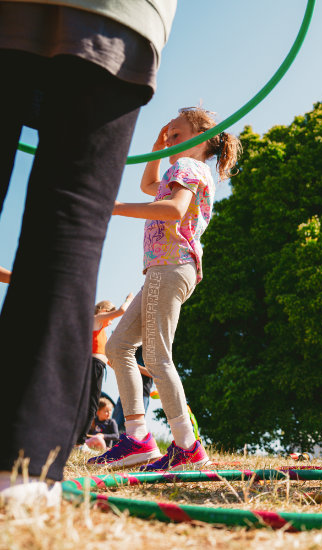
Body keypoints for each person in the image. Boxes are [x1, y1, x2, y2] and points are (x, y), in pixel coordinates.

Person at [0, 1, 176, 503]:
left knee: (71, 224)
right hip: (116, 17)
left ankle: (35, 460)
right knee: (70, 219)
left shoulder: (191, 175)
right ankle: (24, 470)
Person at [88, 108, 240, 471]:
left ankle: (187, 445)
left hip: (170, 266)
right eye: (167, 135)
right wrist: (157, 149)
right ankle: (138, 438)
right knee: (119, 345)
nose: (170, 141)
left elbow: (172, 209)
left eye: (177, 135)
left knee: (156, 357)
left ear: (202, 140)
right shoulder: (186, 169)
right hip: (169, 268)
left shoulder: (187, 167)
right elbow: (149, 188)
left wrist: (114, 208)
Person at [77, 294, 133, 446]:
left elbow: (107, 357)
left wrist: (123, 369)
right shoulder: (96, 319)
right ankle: (79, 441)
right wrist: (129, 299)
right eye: (110, 316)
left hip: (99, 367)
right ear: (103, 310)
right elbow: (122, 310)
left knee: (90, 404)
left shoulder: (102, 332)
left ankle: (78, 439)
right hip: (93, 366)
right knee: (91, 405)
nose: (111, 321)